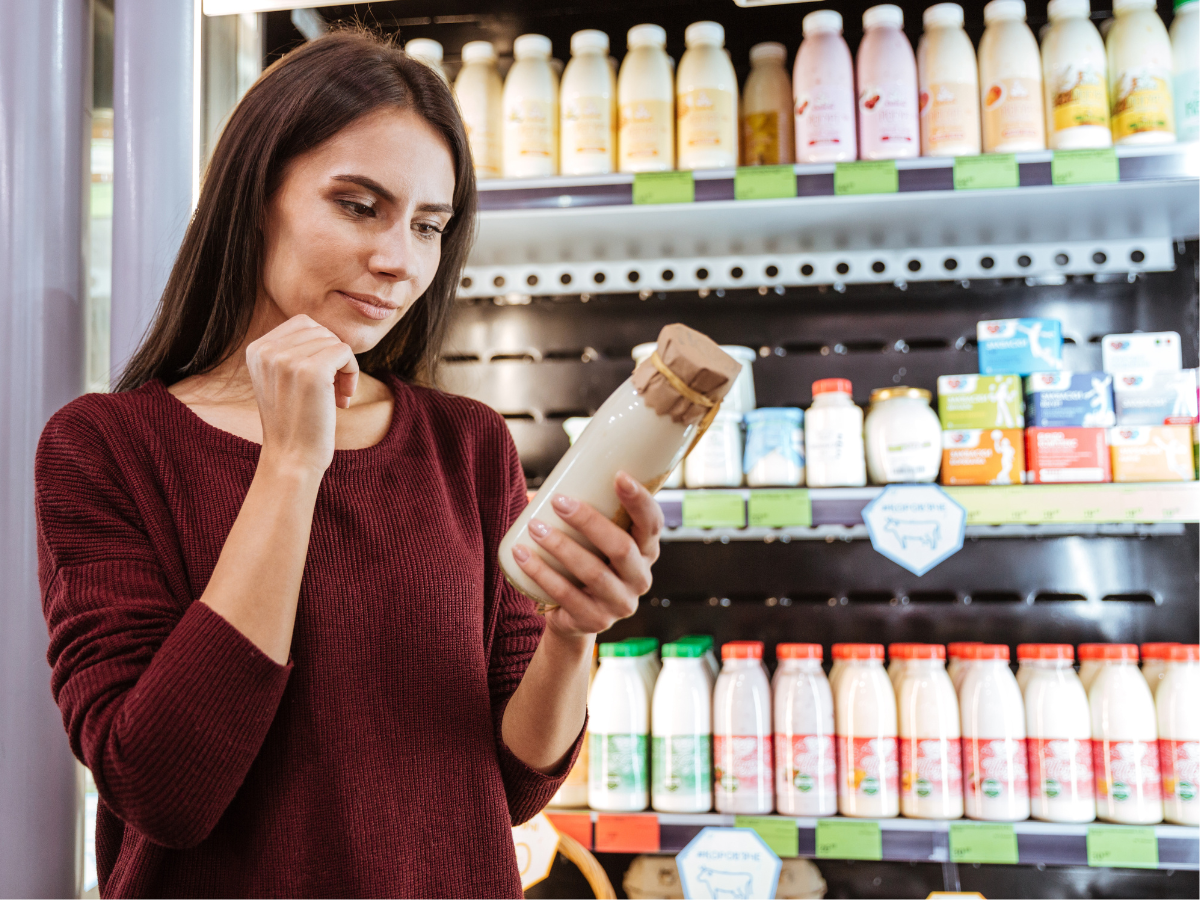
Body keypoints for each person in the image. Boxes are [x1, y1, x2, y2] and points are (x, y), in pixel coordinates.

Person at [34, 30, 661, 898]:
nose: (398, 260)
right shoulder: (105, 447)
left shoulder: (466, 445)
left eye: (428, 225)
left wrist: (573, 630)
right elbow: (163, 789)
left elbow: (517, 785)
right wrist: (291, 463)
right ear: (257, 197)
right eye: (359, 206)